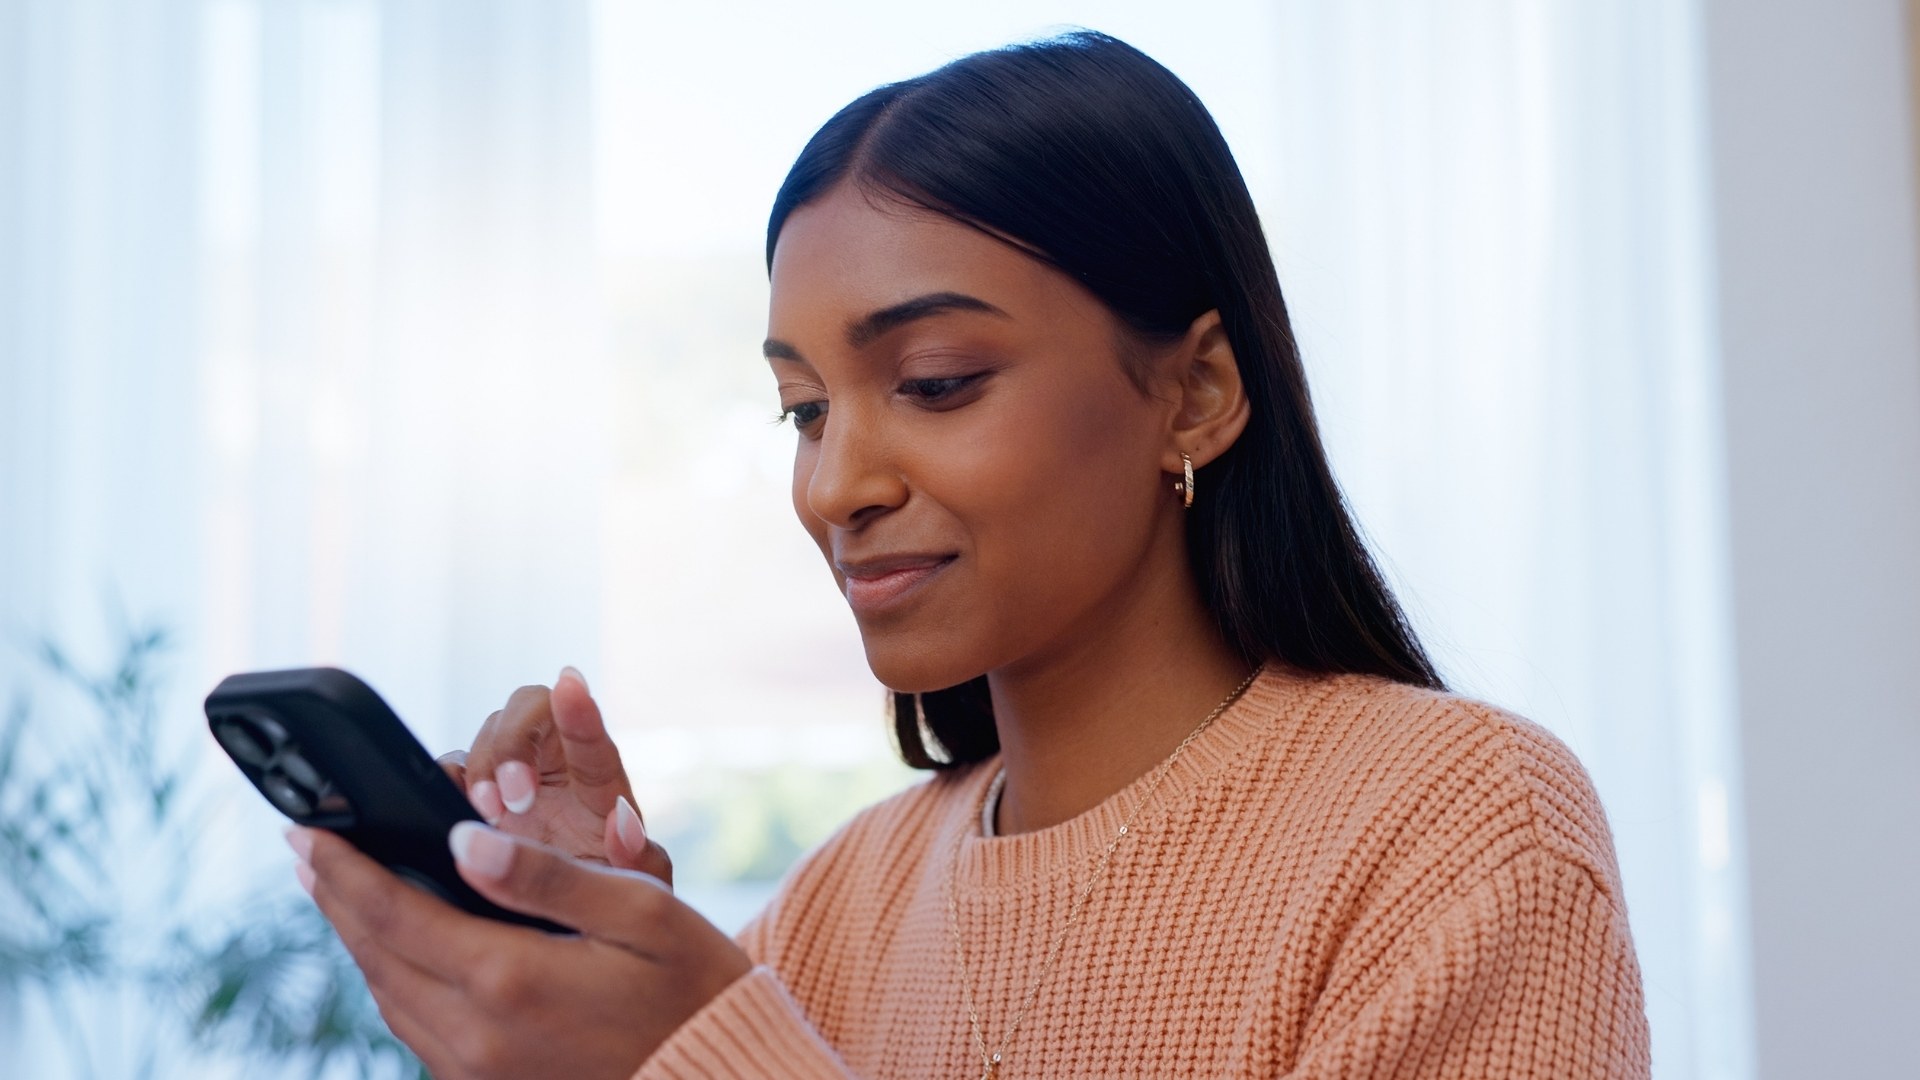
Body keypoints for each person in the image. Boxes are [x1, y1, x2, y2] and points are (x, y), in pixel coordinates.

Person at [288, 30, 1651, 1079]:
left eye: (935, 381)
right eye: (803, 410)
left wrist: (702, 1050)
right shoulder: (836, 910)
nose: (836, 485)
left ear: (1196, 394)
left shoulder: (1463, 836)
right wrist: (587, 981)